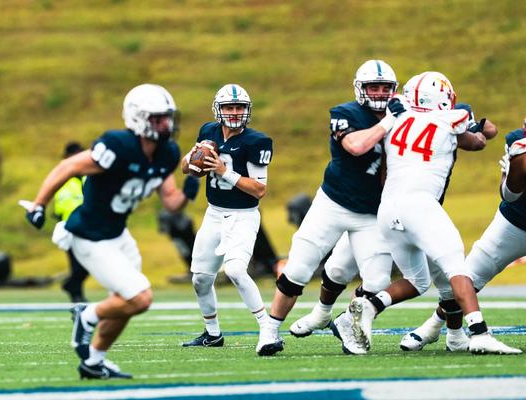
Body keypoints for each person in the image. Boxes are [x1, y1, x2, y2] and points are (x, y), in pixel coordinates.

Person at [22, 83, 200, 379]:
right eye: (158, 118)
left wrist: (191, 184)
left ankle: (94, 361)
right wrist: (39, 204)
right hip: (89, 236)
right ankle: (87, 315)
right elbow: (69, 166)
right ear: (138, 118)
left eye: (167, 117)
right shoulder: (117, 145)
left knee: (126, 302)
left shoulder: (167, 152)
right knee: (140, 298)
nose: (166, 124)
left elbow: (171, 202)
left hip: (119, 236)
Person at [290, 103, 497, 351]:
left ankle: (452, 335)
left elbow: (482, 135)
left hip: (391, 209)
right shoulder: (403, 118)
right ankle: (331, 315)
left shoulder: (414, 117)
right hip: (395, 209)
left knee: (436, 279)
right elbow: (479, 141)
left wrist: (473, 122)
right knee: (342, 269)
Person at [347, 71, 521, 355]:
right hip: (420, 205)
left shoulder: (396, 118)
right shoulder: (448, 119)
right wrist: (469, 118)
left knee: (418, 281)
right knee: (458, 268)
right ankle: (480, 333)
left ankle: (371, 304)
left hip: (388, 208)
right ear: (442, 99)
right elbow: (481, 139)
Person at [262, 60, 402, 355]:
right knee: (298, 267)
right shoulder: (346, 113)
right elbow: (356, 146)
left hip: (372, 214)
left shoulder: (405, 118)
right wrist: (389, 122)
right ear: (360, 89)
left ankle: (345, 323)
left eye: (385, 88)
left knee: (376, 282)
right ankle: (270, 331)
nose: (379, 93)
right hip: (333, 203)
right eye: (373, 87)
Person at [400, 118, 526, 352]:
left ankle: (432, 326)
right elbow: (509, 195)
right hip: (516, 223)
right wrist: (509, 174)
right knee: (469, 276)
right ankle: (434, 325)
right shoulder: (519, 144)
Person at [180, 83, 277, 355]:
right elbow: (187, 168)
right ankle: (212, 334)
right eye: (229, 107)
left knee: (235, 270)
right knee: (200, 278)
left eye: (239, 107)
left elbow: (259, 190)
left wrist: (223, 170)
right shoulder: (208, 131)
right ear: (218, 109)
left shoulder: (257, 141)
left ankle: (267, 328)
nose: (234, 112)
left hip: (243, 217)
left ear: (247, 110)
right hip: (214, 215)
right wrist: (195, 159)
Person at [53, 141, 89, 302]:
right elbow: (61, 204)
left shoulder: (87, 176)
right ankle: (77, 296)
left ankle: (72, 286)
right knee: (77, 264)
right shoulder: (63, 178)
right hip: (70, 226)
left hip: (87, 225)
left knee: (87, 263)